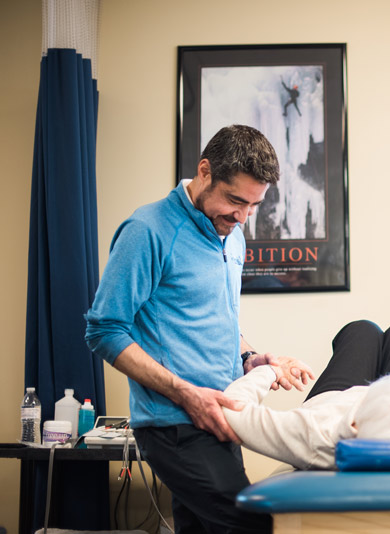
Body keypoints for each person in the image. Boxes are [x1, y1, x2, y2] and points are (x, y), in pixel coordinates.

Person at [85, 124, 314, 534]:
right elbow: (105, 329)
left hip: (222, 416)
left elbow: (217, 318)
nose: (242, 217)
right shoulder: (148, 231)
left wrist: (251, 358)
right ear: (204, 171)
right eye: (235, 201)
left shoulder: (233, 234)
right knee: (254, 526)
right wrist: (184, 393)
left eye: (253, 206)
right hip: (174, 425)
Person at [223, 320, 390, 470]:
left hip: (332, 397)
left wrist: (271, 371)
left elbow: (233, 408)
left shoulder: (315, 434)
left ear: (356, 420)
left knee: (362, 330)